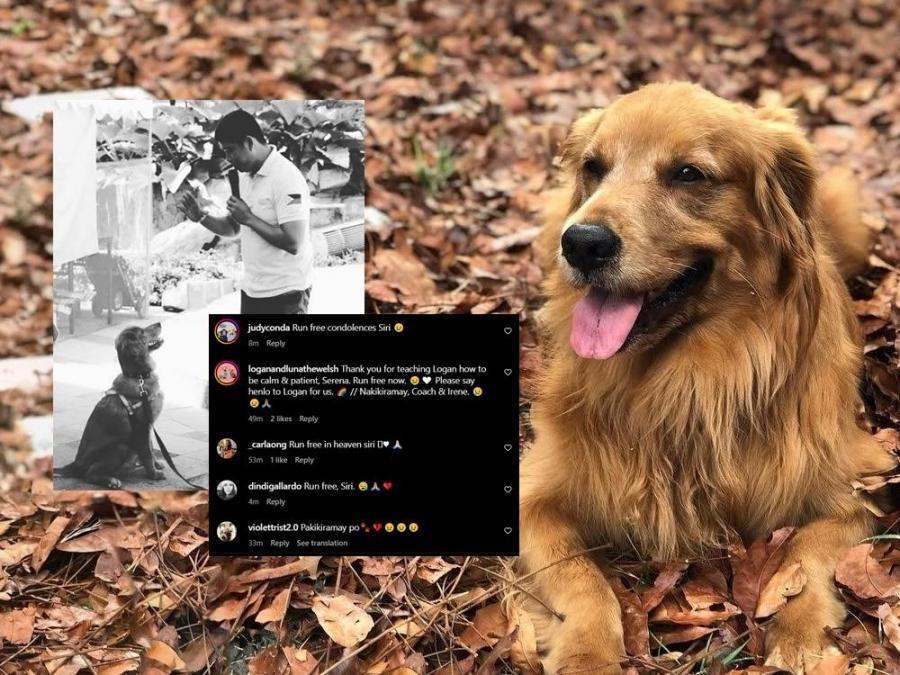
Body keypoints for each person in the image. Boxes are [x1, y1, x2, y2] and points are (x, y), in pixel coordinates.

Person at [178, 109, 313, 314]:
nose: (228, 158)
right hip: (252, 291)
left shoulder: (287, 177)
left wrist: (249, 218)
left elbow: (293, 243)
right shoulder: (241, 176)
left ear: (249, 142)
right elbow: (233, 228)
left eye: (231, 150)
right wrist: (201, 217)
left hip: (287, 294)